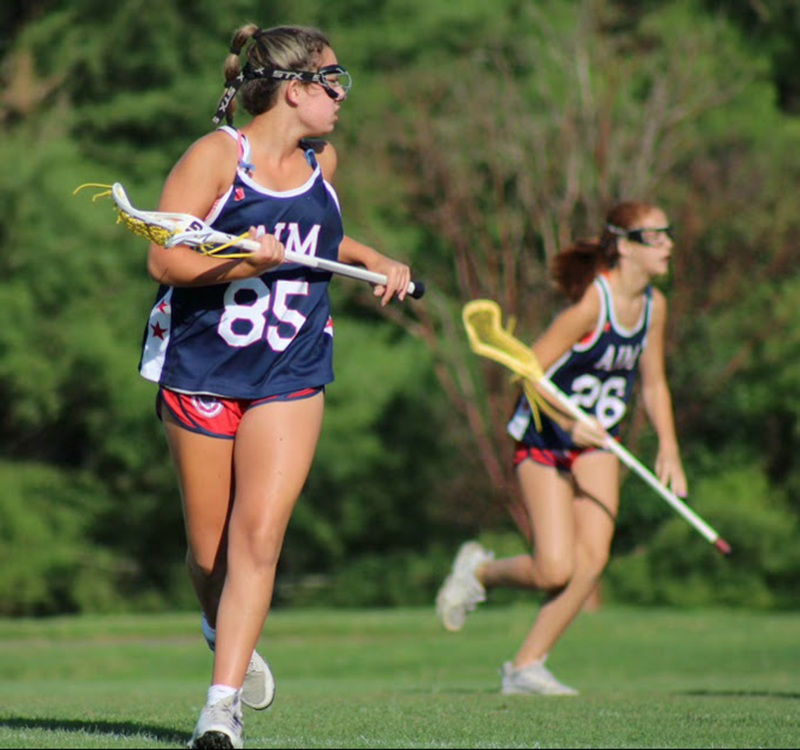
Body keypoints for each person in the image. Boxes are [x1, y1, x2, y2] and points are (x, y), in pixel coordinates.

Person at [138, 23, 413, 749]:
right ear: (295, 90)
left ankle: (219, 708)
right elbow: (164, 265)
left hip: (290, 369)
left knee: (258, 537)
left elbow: (321, 243)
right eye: (333, 81)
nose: (340, 96)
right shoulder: (215, 156)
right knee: (210, 556)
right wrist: (243, 264)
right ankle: (219, 622)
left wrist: (378, 257)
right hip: (202, 368)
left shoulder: (325, 158)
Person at [436, 201, 687, 696]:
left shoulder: (655, 306)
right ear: (625, 246)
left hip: (600, 441)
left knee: (592, 559)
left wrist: (670, 450)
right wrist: (569, 424)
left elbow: (654, 384)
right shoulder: (593, 303)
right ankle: (480, 572)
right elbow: (528, 372)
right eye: (656, 236)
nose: (669, 245)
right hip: (546, 436)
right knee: (555, 567)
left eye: (667, 234)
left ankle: (526, 667)